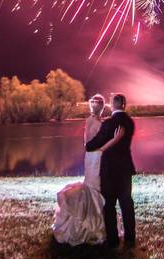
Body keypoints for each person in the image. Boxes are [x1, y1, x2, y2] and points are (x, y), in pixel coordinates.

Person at [51, 94, 124, 245]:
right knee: (96, 186)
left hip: (90, 157)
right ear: (102, 107)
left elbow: (87, 143)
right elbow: (97, 143)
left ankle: (89, 222)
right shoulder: (98, 123)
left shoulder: (89, 120)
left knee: (92, 185)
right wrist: (115, 140)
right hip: (97, 156)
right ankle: (95, 226)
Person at [85, 92, 135, 248]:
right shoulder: (130, 122)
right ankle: (130, 238)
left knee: (109, 205)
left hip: (110, 170)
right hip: (125, 168)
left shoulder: (108, 124)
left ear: (113, 105)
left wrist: (94, 144)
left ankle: (112, 239)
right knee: (127, 203)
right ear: (124, 104)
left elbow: (91, 145)